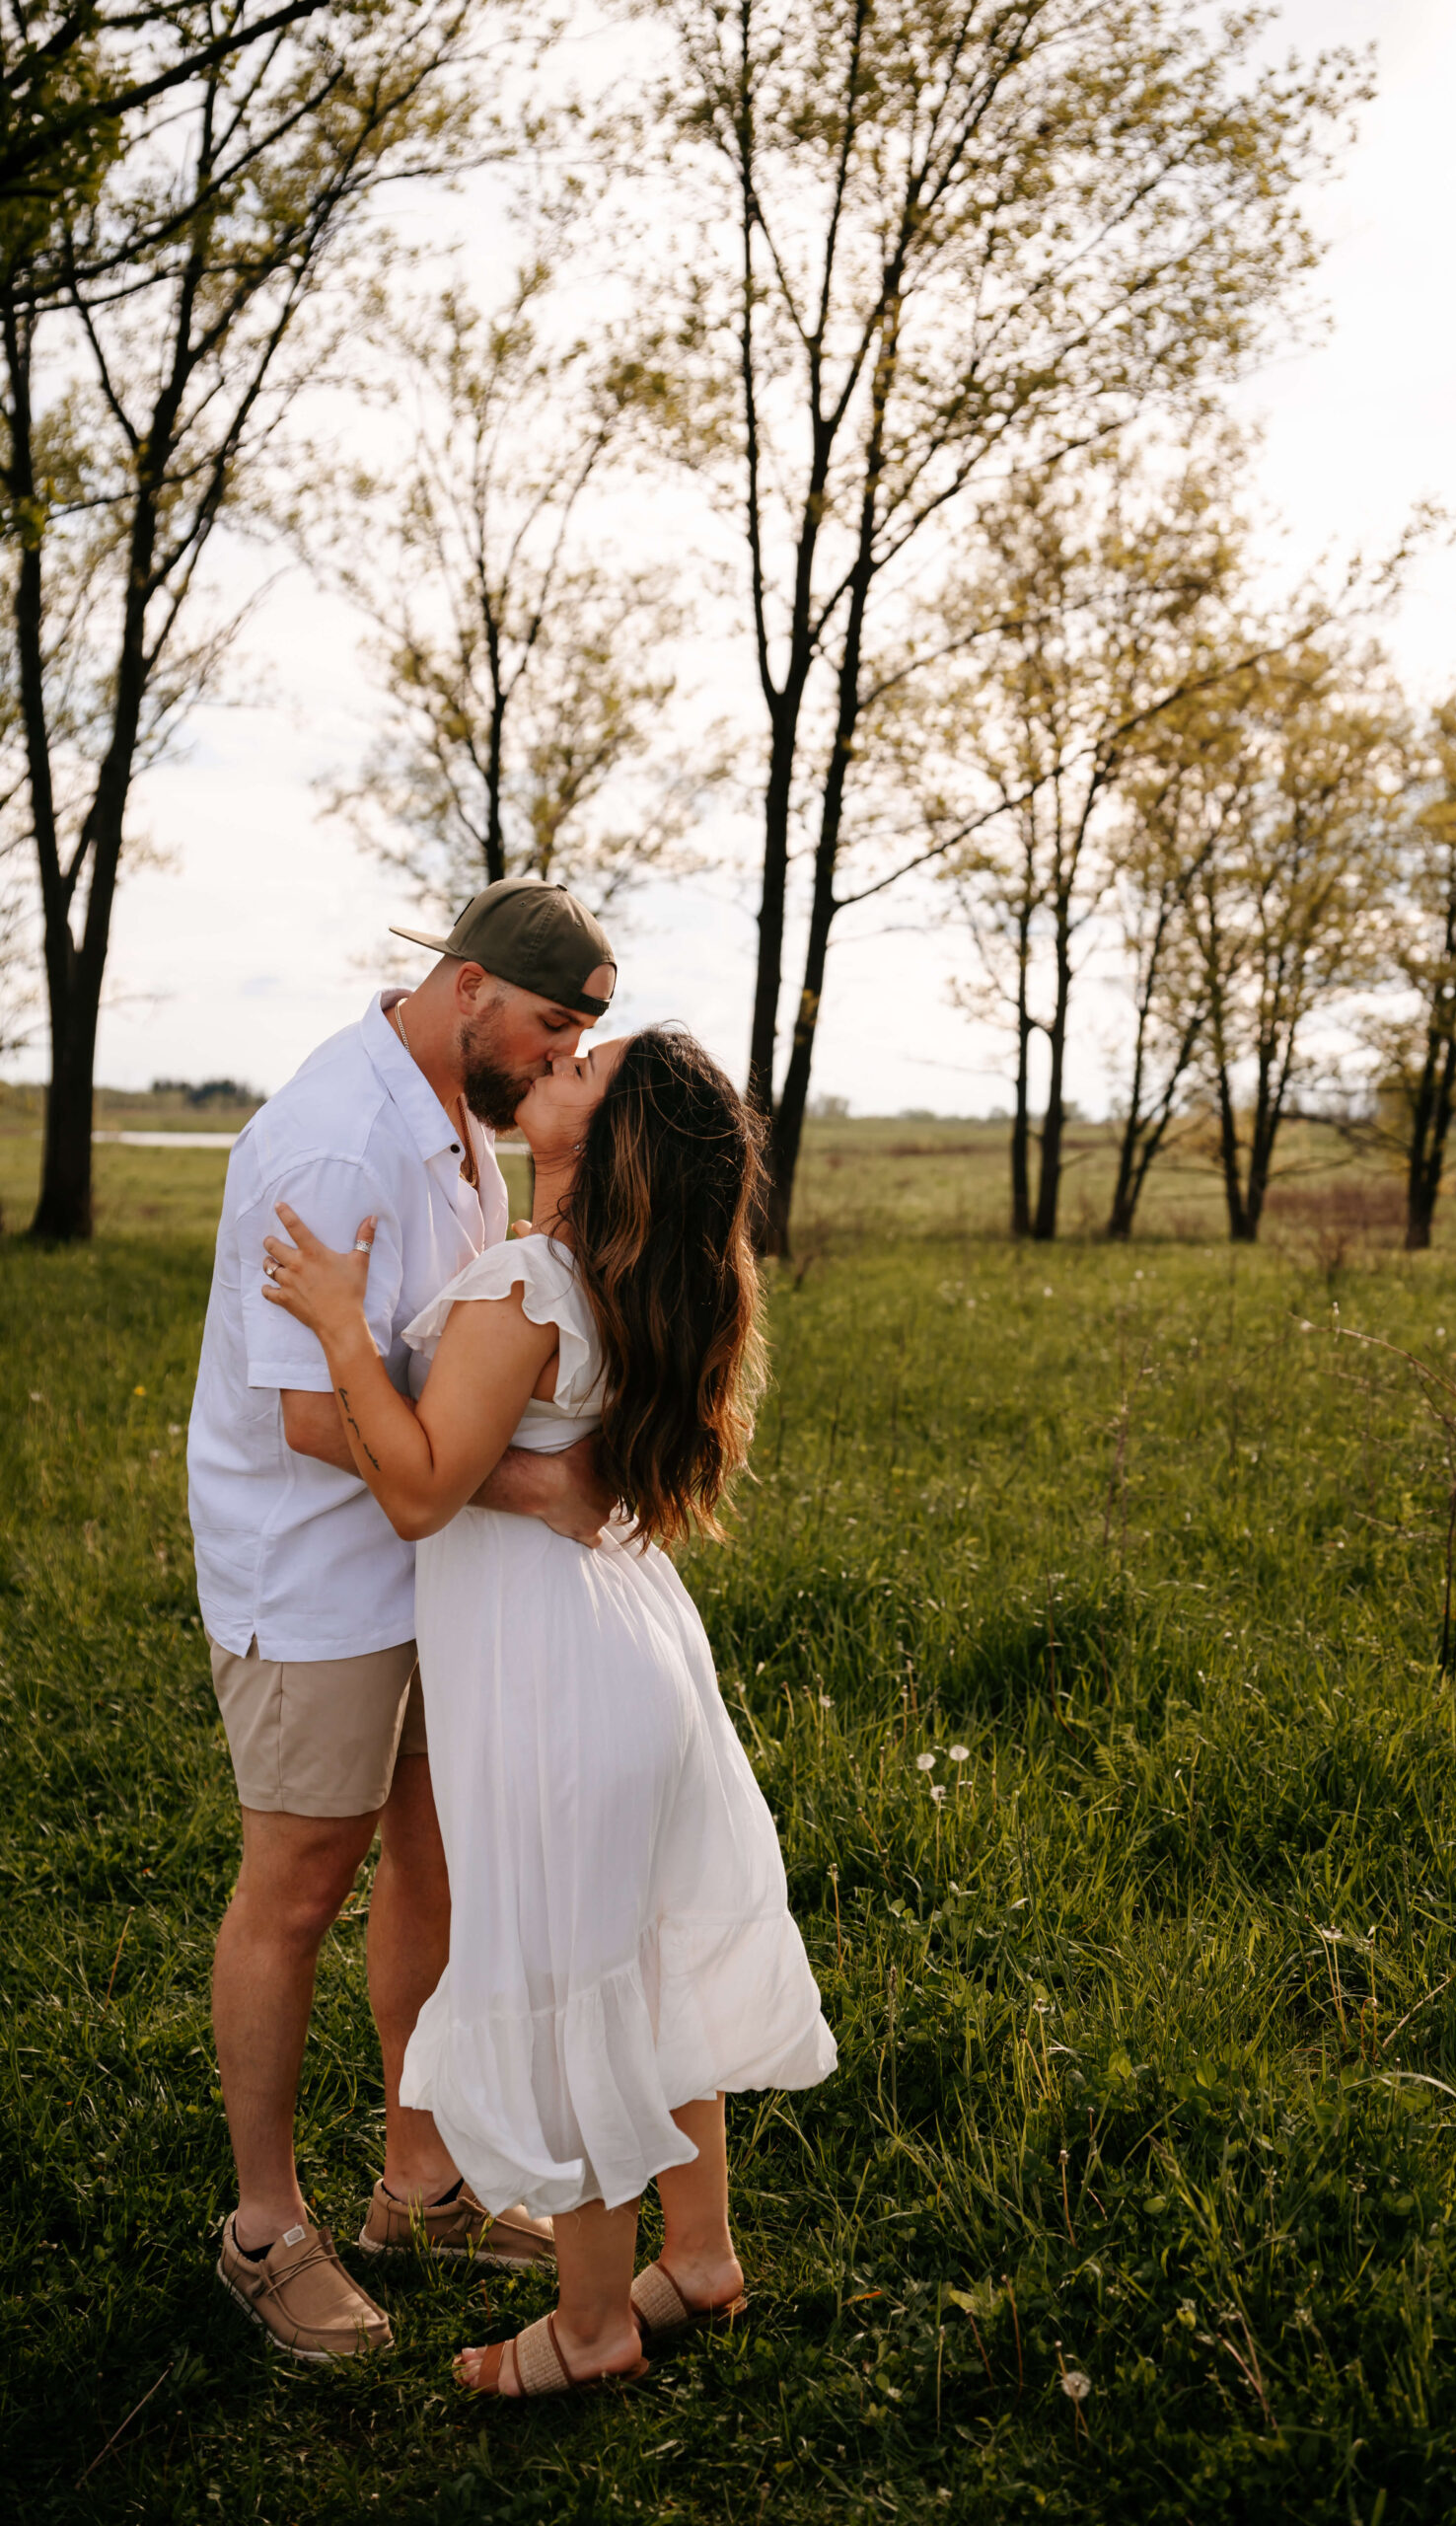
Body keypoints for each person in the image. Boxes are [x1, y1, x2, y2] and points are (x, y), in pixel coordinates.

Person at [259, 1023, 837, 2398]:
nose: (552, 1067)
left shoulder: (525, 1284)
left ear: (601, 1135)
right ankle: (697, 2256)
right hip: (631, 1653)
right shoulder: (629, 1283)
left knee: (573, 1980)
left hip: (555, 1681)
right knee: (637, 1969)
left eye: (583, 1068)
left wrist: (341, 1327)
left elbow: (412, 1488)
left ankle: (589, 2329)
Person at [187, 878, 622, 2361]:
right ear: (468, 985)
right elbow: (316, 1416)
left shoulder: (464, 1137)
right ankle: (262, 2230)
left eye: (577, 1042)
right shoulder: (336, 1132)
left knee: (428, 1858)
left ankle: (419, 2184)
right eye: (549, 1029)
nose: (554, 1061)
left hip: (424, 1562)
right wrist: (534, 1485)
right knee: (298, 1889)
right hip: (311, 1573)